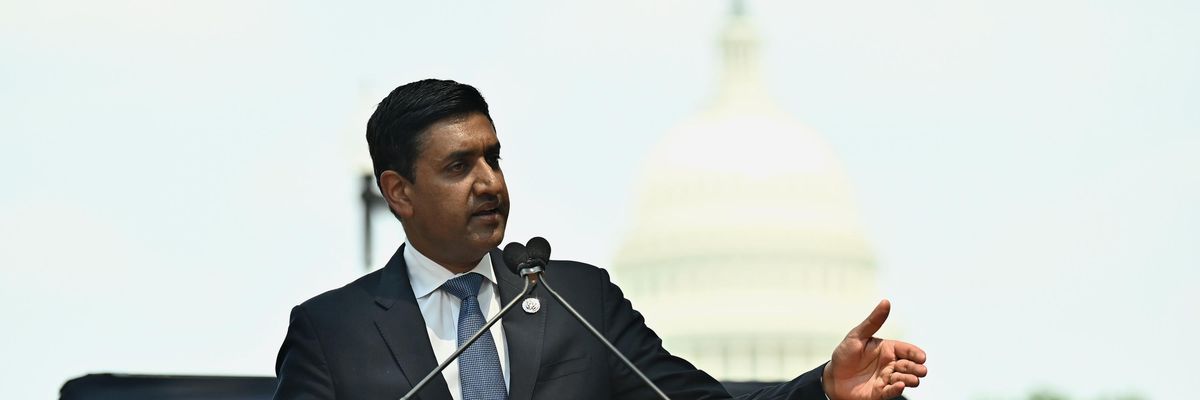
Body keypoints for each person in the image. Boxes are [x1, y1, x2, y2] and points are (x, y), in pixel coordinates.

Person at [272, 79, 928, 400]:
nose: (487, 182)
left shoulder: (573, 297)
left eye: (493, 159)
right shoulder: (333, 334)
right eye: (457, 166)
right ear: (398, 192)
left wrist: (822, 390)